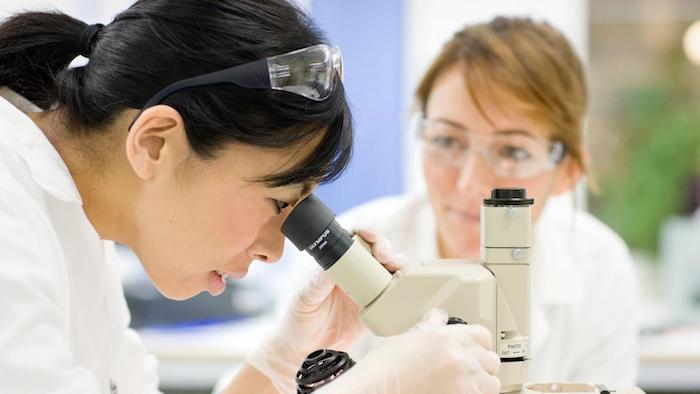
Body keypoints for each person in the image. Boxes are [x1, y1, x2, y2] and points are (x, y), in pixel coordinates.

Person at [0, 1, 501, 393]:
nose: (274, 250)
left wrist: (283, 361)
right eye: (279, 202)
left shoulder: (80, 219)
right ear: (155, 143)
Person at [284, 16, 640, 387]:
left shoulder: (599, 267)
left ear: (567, 169)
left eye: (513, 151)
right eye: (448, 141)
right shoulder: (345, 261)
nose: (471, 184)